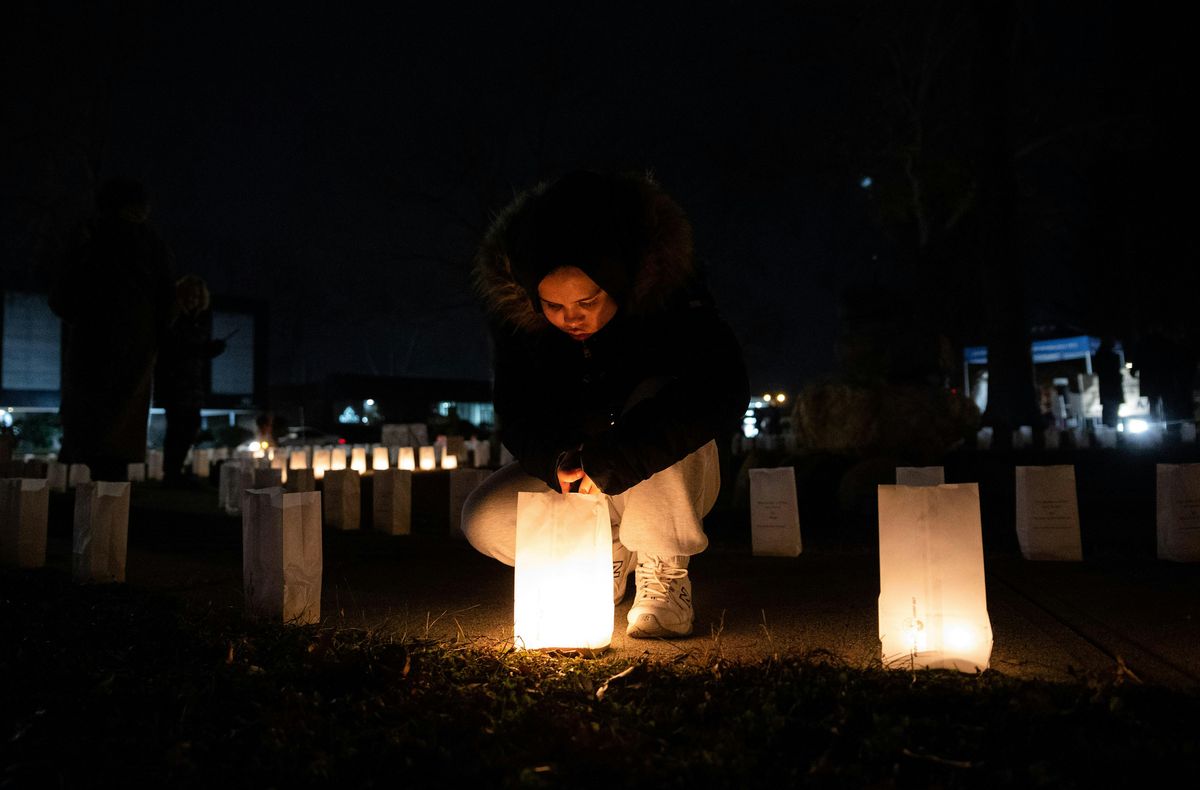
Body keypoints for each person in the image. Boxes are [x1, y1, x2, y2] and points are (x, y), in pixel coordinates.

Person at [463, 170, 749, 639]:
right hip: (586, 482)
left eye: (587, 300)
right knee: (486, 518)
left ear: (618, 281)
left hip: (664, 474)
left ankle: (664, 574)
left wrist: (616, 457)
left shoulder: (673, 302)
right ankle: (608, 555)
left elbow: (718, 391)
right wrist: (555, 459)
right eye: (552, 306)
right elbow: (516, 412)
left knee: (661, 394)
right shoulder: (520, 326)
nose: (570, 318)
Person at [50, 177, 176, 482]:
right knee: (119, 433)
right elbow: (167, 302)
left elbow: (61, 297)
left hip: (90, 343)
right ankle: (111, 514)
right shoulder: (151, 244)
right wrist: (154, 336)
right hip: (135, 345)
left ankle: (89, 509)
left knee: (91, 428)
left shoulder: (88, 238)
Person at [154, 275, 226, 484]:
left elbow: (194, 352)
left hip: (192, 384)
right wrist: (204, 350)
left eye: (197, 295)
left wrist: (208, 350)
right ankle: (172, 473)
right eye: (189, 295)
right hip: (175, 383)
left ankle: (175, 470)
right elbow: (173, 350)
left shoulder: (197, 322)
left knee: (190, 426)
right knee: (178, 428)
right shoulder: (174, 319)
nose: (193, 299)